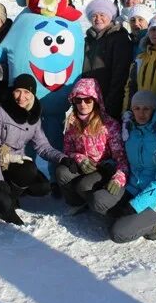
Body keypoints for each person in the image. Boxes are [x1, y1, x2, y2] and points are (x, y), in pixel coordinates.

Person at [0, 74, 72, 225]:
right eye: (18, 91)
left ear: (32, 94)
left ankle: (11, 191)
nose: (21, 97)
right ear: (12, 92)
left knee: (43, 187)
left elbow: (42, 146)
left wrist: (62, 158)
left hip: (17, 162)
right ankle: (6, 204)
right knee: (28, 170)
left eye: (27, 92)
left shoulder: (33, 116)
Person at [106, 91, 156, 243]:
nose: (141, 113)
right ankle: (139, 218)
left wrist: (135, 206)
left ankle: (155, 225)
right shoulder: (131, 130)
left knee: (118, 233)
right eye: (137, 108)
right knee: (101, 203)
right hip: (133, 187)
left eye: (146, 109)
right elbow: (123, 158)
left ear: (154, 110)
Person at [55, 78, 129, 214]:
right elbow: (67, 149)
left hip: (102, 168)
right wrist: (79, 158)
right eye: (78, 100)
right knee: (61, 172)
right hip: (83, 165)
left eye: (88, 100)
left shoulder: (109, 125)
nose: (83, 104)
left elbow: (121, 158)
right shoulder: (71, 122)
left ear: (95, 100)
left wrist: (119, 177)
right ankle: (77, 203)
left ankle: (102, 206)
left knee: (83, 186)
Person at [82, 0, 133, 119]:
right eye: (94, 15)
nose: (98, 19)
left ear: (110, 16)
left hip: (109, 101)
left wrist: (111, 105)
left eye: (102, 15)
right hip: (88, 101)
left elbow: (120, 74)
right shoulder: (88, 39)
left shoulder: (119, 38)